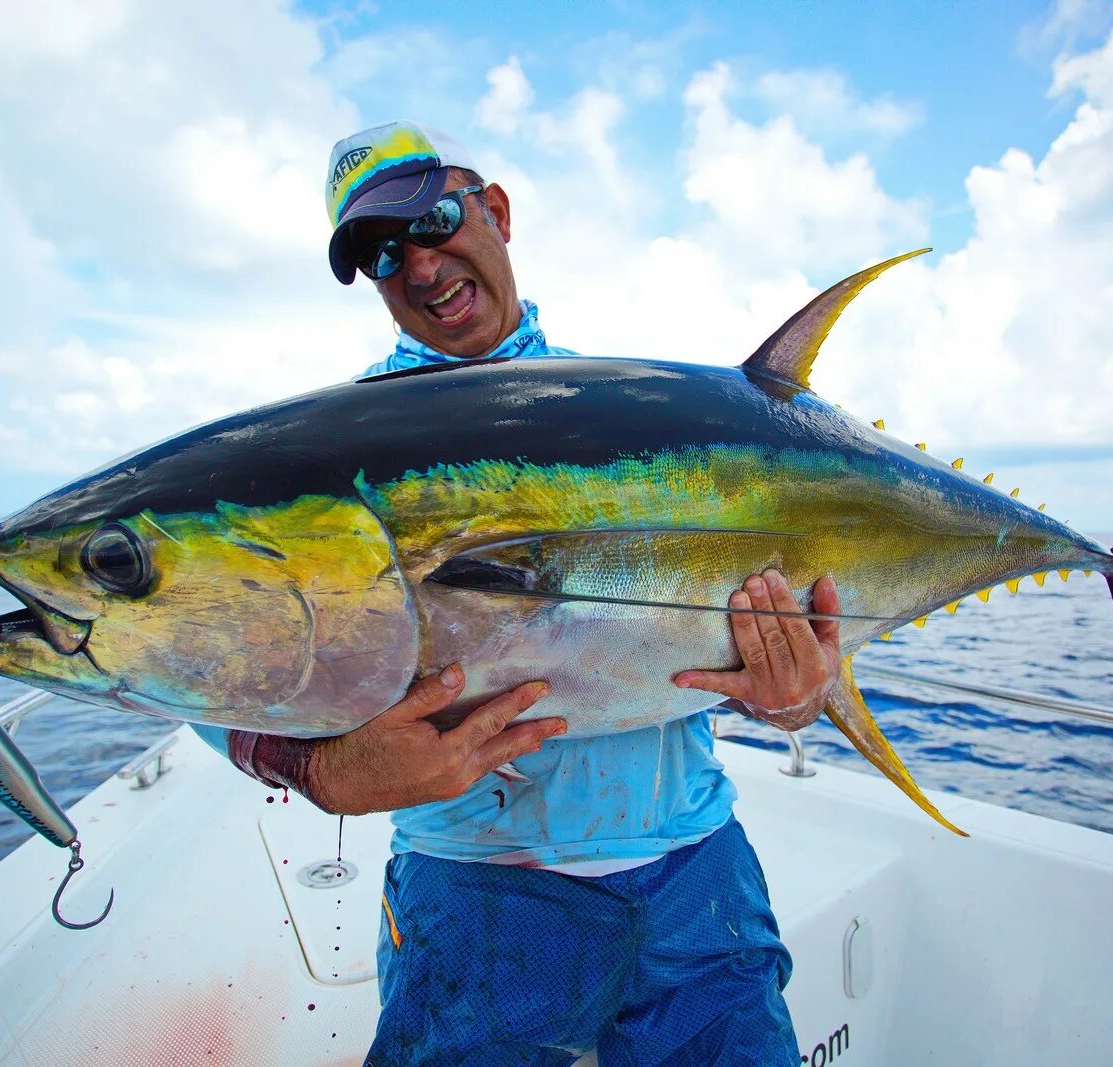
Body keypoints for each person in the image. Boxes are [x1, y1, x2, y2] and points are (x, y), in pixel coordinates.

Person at [196, 121, 843, 1066]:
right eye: (383, 253)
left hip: (699, 875)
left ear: (495, 211)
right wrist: (313, 766)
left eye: (436, 219)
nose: (418, 265)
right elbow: (192, 640)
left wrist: (803, 695)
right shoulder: (334, 458)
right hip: (476, 895)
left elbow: (804, 611)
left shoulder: (637, 413)